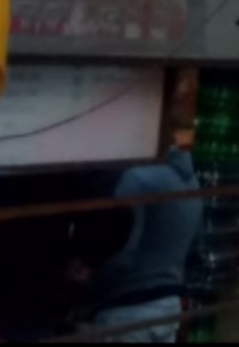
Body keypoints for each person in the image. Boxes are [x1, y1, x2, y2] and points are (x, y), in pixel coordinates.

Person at [79, 88, 205, 342]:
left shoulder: (137, 178)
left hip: (128, 311)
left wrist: (88, 276)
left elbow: (124, 251)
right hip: (168, 307)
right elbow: (195, 250)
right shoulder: (192, 183)